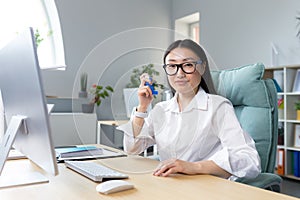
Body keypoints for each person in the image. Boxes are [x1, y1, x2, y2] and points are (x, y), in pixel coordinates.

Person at [118, 39, 261, 180]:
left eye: (187, 65)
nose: (179, 74)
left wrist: (193, 167)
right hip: (168, 184)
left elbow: (249, 161)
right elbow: (132, 148)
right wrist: (142, 107)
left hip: (205, 188)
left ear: (202, 68)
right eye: (172, 66)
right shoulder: (161, 109)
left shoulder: (218, 107)